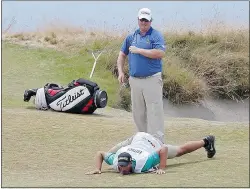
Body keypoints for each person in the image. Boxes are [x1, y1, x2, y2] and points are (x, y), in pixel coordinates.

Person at [117, 8, 166, 143]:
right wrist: (121, 72)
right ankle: (142, 140)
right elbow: (122, 55)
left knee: (154, 112)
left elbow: (159, 53)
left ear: (150, 21)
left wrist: (139, 50)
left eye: (146, 20)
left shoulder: (156, 35)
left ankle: (158, 143)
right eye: (142, 19)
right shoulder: (131, 37)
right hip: (135, 80)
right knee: (138, 113)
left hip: (152, 79)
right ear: (138, 20)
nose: (144, 22)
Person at [85, 132, 216, 175]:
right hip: (136, 138)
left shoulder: (145, 162)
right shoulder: (115, 161)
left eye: (124, 166)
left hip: (153, 144)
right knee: (110, 151)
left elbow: (163, 150)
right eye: (121, 166)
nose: (122, 169)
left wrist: (161, 168)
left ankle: (206, 141)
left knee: (180, 150)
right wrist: (97, 168)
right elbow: (100, 153)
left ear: (131, 163)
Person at [23, 78, 108, 114]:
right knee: (57, 92)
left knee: (56, 93)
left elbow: (79, 81)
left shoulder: (89, 108)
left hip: (59, 102)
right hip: (61, 98)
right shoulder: (89, 109)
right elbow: (79, 81)